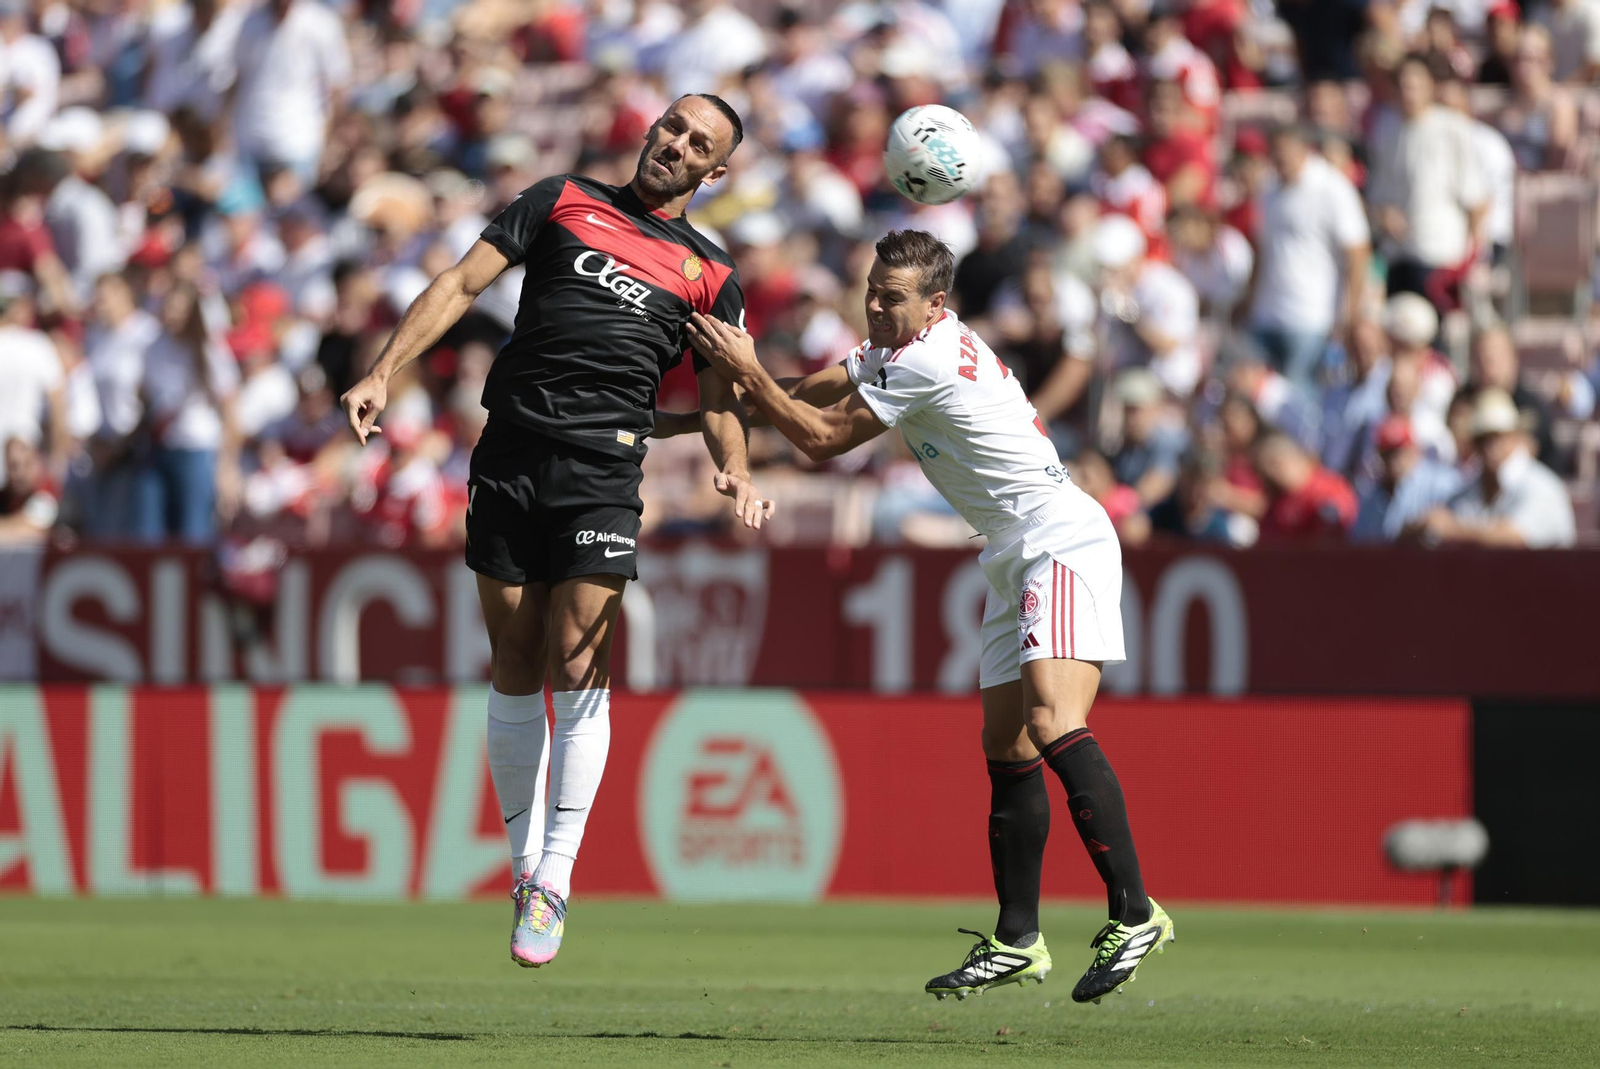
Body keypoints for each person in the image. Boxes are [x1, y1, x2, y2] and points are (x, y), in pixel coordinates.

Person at [683, 229, 1173, 1007]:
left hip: (1059, 536)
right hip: (1013, 547)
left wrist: (747, 374)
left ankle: (1135, 912)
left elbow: (820, 439)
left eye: (892, 296)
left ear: (935, 304)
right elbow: (815, 387)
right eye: (872, 290)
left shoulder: (927, 359)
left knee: (1052, 720)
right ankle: (1017, 938)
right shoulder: (903, 342)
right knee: (1005, 741)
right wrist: (710, 407)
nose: (875, 304)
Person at [339, 94, 772, 970]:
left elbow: (723, 395)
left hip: (603, 468)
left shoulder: (711, 273)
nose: (677, 145)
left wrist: (737, 465)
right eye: (673, 127)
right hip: (509, 450)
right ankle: (522, 866)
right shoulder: (558, 197)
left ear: (714, 173)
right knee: (516, 655)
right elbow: (462, 283)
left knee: (579, 654)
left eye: (700, 144)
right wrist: (384, 370)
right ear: (651, 130)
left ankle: (557, 876)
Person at [1245, 123, 1370, 395]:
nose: (1281, 159)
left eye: (1286, 151)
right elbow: (1262, 249)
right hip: (1267, 314)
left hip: (1312, 315)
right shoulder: (1268, 188)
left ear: (1304, 149)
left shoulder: (1332, 188)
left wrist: (1348, 312)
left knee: (1298, 400)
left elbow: (1358, 254)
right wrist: (1248, 299)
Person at [1419, 388, 1576, 548]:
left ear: (1514, 436)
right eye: (1482, 439)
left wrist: (1452, 530)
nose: (1489, 446)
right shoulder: (1471, 489)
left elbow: (1517, 538)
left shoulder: (1542, 487)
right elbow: (1442, 523)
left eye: (1497, 436)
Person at [1352, 415, 1464, 542]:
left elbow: (1464, 518)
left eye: (1400, 452)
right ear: (1381, 455)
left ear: (1414, 449)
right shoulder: (1371, 494)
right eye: (1388, 453)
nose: (1394, 461)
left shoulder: (1441, 481)